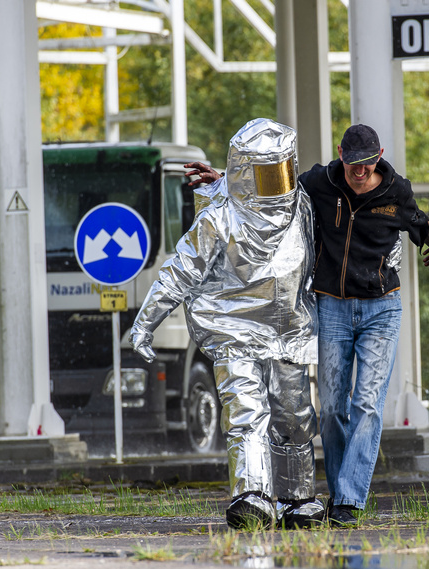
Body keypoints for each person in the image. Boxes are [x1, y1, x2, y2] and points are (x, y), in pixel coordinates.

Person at [128, 118, 325, 530]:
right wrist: (145, 323)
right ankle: (251, 494)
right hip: (233, 332)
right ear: (245, 173)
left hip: (286, 332)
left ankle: (297, 498)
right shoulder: (219, 219)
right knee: (246, 413)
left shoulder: (300, 206)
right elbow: (179, 270)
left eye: (281, 171)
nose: (276, 183)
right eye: (265, 174)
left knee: (293, 415)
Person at [299, 124, 429, 527]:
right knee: (330, 409)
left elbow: (418, 222)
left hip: (382, 309)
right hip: (333, 308)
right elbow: (277, 191)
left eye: (366, 164)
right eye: (351, 163)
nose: (358, 171)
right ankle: (339, 491)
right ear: (341, 154)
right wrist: (226, 180)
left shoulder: (396, 190)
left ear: (377, 155)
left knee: (366, 403)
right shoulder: (321, 181)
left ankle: (347, 500)